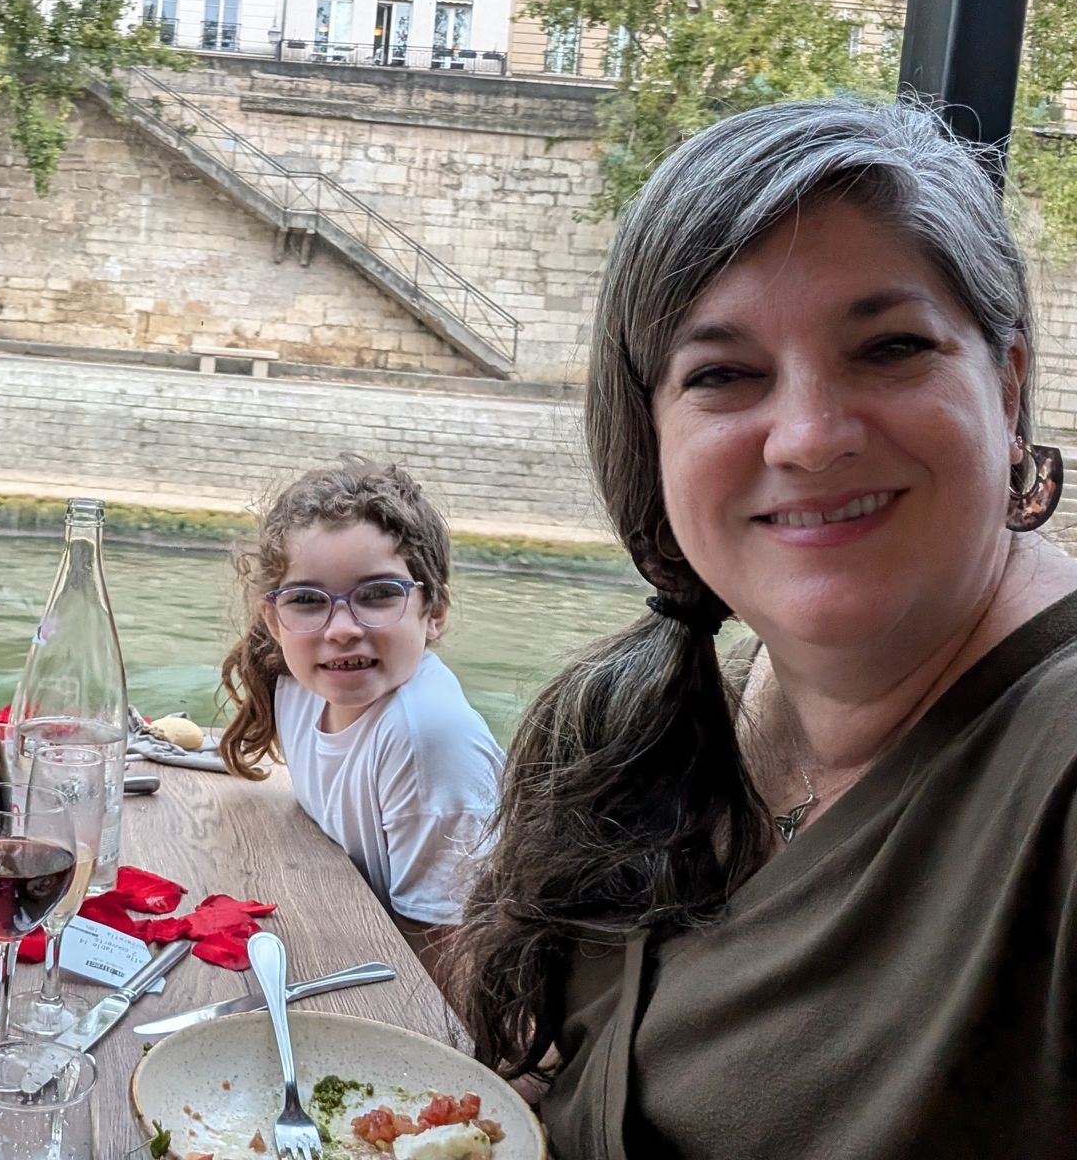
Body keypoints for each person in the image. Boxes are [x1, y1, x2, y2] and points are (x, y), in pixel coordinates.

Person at [446, 98, 1077, 1158]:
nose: (812, 437)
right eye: (724, 374)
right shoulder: (634, 727)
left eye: (890, 347)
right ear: (649, 438)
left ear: (1006, 390)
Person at [218, 458, 505, 957]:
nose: (341, 628)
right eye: (307, 600)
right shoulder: (298, 685)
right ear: (274, 618)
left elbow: (453, 953)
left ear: (433, 612)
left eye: (376, 594)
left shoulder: (429, 736)